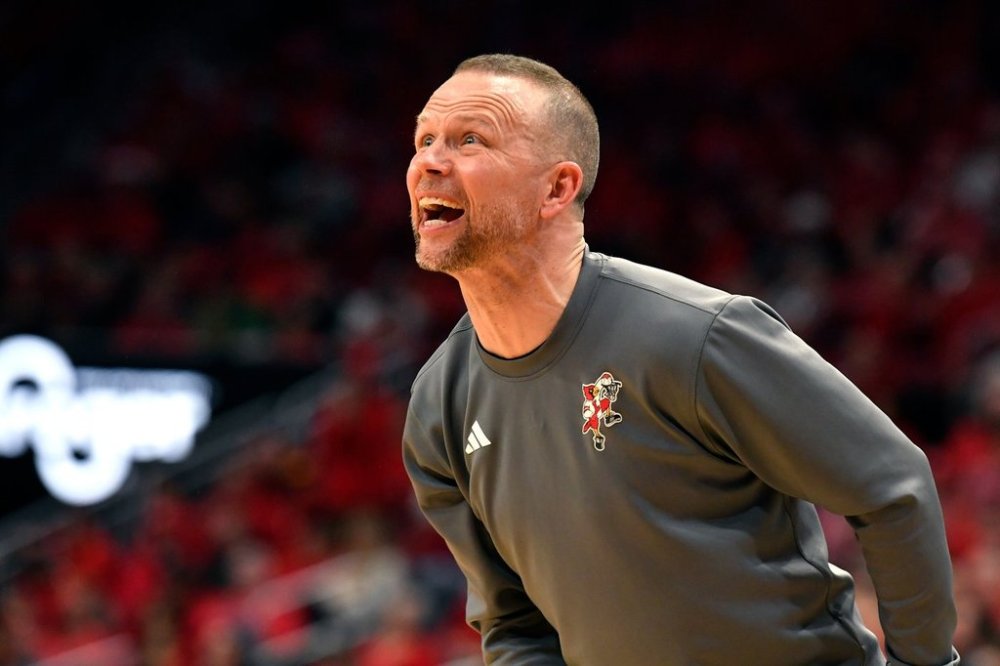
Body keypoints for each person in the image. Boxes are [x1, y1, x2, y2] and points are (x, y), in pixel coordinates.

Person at [400, 53, 960, 665]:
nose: (430, 161)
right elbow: (515, 626)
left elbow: (893, 488)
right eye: (424, 138)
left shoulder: (695, 335)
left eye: (470, 140)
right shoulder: (438, 407)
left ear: (557, 188)